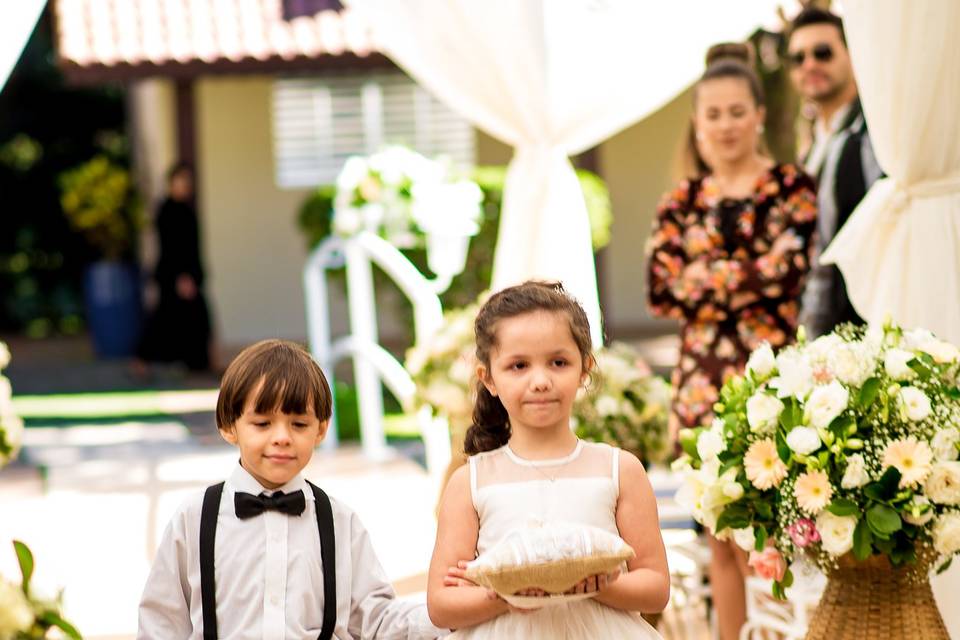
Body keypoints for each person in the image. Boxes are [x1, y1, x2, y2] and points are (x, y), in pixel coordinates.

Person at [646, 43, 818, 640]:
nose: (725, 125)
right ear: (698, 121)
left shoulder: (791, 187)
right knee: (718, 533)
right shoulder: (680, 202)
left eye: (736, 111)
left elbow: (788, 272)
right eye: (713, 113)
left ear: (759, 115)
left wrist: (707, 280)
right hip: (702, 388)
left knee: (781, 530)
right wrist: (750, 276)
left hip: (777, 382)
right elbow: (661, 286)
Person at [137, 339, 447, 639]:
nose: (282, 437)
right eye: (262, 424)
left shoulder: (340, 522)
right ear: (230, 426)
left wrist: (448, 616)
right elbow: (161, 623)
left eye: (299, 424)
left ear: (321, 429)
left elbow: (376, 619)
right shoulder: (194, 519)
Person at [426, 281, 669, 638]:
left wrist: (594, 584)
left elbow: (656, 587)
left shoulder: (619, 470)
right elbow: (440, 603)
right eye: (518, 366)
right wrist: (505, 595)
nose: (540, 381)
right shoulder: (471, 481)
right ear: (488, 378)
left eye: (558, 362)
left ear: (584, 369)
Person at [787, 7, 883, 338]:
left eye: (823, 53)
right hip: (821, 329)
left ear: (852, 55)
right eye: (797, 58)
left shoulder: (876, 135)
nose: (809, 64)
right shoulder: (809, 149)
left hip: (868, 322)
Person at [134, 162, 212, 374]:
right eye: (182, 181)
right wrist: (182, 277)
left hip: (188, 275)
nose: (186, 185)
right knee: (165, 319)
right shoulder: (168, 211)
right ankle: (142, 360)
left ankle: (197, 364)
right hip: (175, 276)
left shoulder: (186, 210)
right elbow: (173, 248)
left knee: (194, 319)